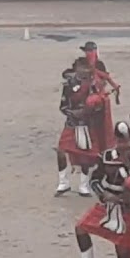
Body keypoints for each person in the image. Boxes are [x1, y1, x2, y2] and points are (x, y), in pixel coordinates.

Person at [55, 58, 112, 196]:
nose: (85, 71)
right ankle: (63, 182)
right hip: (72, 123)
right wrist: (73, 113)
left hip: (88, 124)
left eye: (87, 68)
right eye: (82, 68)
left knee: (86, 155)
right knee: (61, 151)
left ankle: (83, 185)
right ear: (77, 69)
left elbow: (100, 107)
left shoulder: (95, 85)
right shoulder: (69, 85)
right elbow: (63, 106)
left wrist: (91, 109)